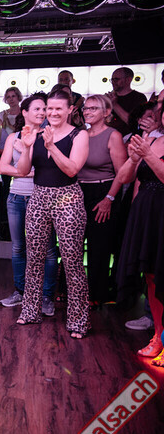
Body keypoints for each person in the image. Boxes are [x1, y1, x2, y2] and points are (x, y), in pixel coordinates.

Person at [15, 90, 90, 339]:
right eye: (49, 108)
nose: (53, 113)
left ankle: (78, 320)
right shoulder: (36, 134)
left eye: (59, 108)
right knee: (34, 258)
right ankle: (30, 311)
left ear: (70, 110)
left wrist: (51, 147)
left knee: (72, 261)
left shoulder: (79, 135)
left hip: (68, 198)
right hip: (39, 197)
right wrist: (27, 147)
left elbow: (72, 170)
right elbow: (23, 171)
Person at [0, 94, 59, 314]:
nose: (42, 113)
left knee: (49, 249)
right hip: (16, 197)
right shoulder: (13, 137)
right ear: (24, 112)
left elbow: (54, 169)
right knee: (18, 247)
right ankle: (20, 292)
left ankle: (46, 297)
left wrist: (25, 171)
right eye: (37, 109)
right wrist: (28, 172)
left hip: (42, 197)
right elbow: (3, 168)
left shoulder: (50, 136)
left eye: (44, 109)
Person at [116, 117, 164, 364]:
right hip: (148, 214)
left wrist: (148, 155)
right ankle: (158, 337)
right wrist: (134, 158)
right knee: (152, 277)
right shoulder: (152, 140)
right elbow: (125, 177)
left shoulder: (150, 147)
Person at [78, 94, 127, 305]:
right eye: (85, 108)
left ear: (107, 112)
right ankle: (72, 291)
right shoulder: (80, 134)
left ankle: (96, 295)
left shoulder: (113, 135)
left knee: (99, 245)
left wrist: (109, 198)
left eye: (93, 108)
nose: (87, 111)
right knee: (73, 244)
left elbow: (122, 173)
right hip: (78, 192)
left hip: (103, 191)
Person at [108, 67, 147, 136]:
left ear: (128, 80)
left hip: (127, 138)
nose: (113, 82)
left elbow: (134, 123)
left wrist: (115, 105)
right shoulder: (109, 97)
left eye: (116, 79)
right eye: (112, 80)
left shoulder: (138, 97)